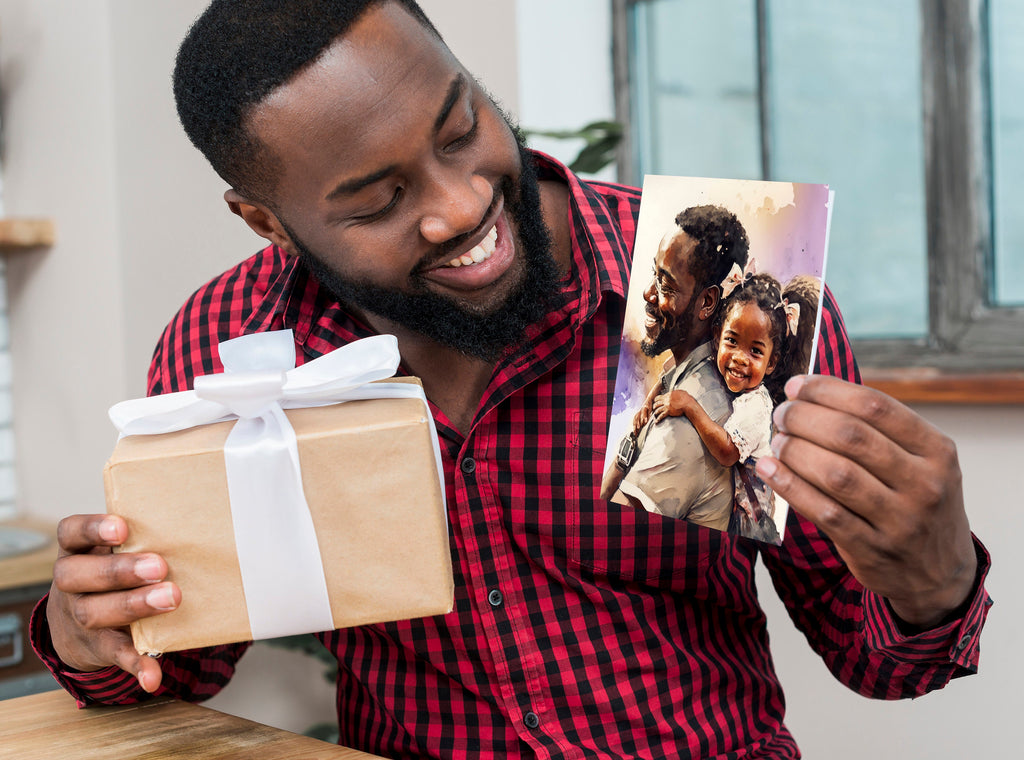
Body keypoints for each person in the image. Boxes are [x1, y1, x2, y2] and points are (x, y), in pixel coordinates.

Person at [32, 1, 991, 758]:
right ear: (266, 222)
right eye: (378, 200)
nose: (459, 208)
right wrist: (92, 634)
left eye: (460, 131)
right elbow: (181, 668)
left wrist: (934, 574)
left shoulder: (725, 298)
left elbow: (881, 660)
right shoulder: (231, 345)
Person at [599, 205, 749, 533]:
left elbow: (608, 534)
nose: (648, 293)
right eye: (655, 276)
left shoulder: (689, 419)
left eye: (666, 286)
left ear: (707, 303)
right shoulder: (680, 376)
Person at [648, 268, 819, 545]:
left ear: (771, 363)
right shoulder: (721, 379)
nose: (739, 358)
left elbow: (728, 452)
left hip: (747, 521)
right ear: (717, 337)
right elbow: (671, 370)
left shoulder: (757, 406)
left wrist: (690, 406)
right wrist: (648, 402)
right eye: (732, 341)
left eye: (755, 351)